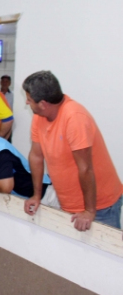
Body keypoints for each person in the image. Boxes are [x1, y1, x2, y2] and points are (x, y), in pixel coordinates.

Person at [23, 71, 123, 230]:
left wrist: (89, 211)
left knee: (104, 253)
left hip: (100, 205)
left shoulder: (74, 117)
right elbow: (36, 157)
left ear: (43, 103)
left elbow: (85, 168)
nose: (27, 103)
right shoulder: (39, 116)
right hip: (69, 203)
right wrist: (36, 195)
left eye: (29, 99)